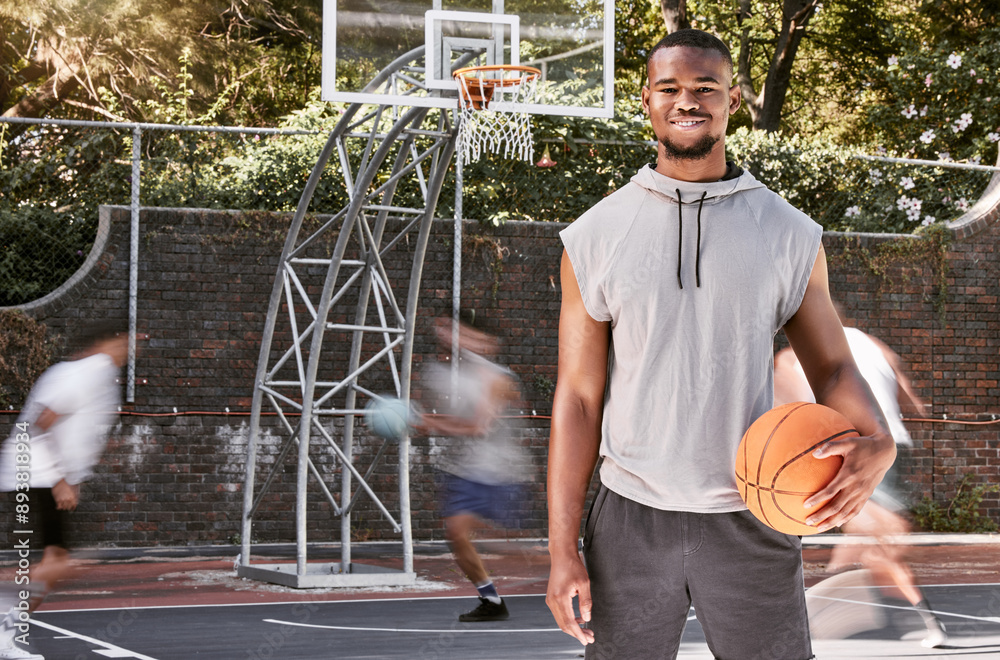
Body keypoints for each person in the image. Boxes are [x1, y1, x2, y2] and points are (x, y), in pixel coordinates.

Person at [545, 29, 897, 659]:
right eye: (670, 88)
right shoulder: (595, 235)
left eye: (706, 87)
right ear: (646, 100)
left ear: (733, 100)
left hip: (754, 510)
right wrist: (560, 548)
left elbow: (834, 364)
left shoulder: (789, 232)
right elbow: (576, 399)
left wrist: (880, 441)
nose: (688, 101)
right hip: (628, 517)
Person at [774, 325, 948, 649]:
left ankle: (925, 620)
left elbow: (788, 409)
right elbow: (911, 400)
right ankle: (821, 612)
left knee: (875, 539)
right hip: (892, 448)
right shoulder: (871, 343)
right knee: (864, 537)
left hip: (852, 451)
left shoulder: (795, 353)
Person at [0, 321, 128, 660]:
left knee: (55, 560)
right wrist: (60, 480)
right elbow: (44, 421)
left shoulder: (83, 371)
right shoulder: (91, 371)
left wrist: (71, 477)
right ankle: (4, 630)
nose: (128, 350)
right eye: (124, 342)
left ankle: (6, 629)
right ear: (105, 342)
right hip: (37, 471)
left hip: (34, 470)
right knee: (56, 561)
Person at [416, 313, 527, 622]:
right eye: (450, 330)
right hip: (465, 470)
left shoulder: (498, 378)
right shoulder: (444, 373)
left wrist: (430, 422)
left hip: (499, 470)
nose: (456, 338)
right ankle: (491, 599)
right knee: (456, 533)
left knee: (510, 549)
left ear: (487, 342)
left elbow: (479, 426)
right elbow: (434, 411)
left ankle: (568, 561)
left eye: (464, 333)